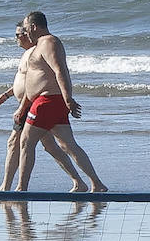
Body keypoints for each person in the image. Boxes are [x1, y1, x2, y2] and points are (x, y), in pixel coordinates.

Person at [15, 11, 107, 194]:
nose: (25, 34)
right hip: (46, 101)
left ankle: (21, 189)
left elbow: (60, 71)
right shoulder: (39, 45)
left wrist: (68, 98)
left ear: (34, 27)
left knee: (26, 142)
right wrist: (23, 105)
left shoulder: (49, 42)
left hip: (47, 101)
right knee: (67, 145)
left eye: (26, 29)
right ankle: (96, 184)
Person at [0, 22, 84, 192]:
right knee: (51, 146)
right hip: (30, 103)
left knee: (17, 142)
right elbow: (25, 82)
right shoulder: (28, 53)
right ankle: (79, 181)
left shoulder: (36, 53)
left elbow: (36, 84)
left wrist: (22, 107)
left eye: (19, 34)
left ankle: (9, 187)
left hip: (33, 104)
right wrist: (7, 95)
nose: (18, 38)